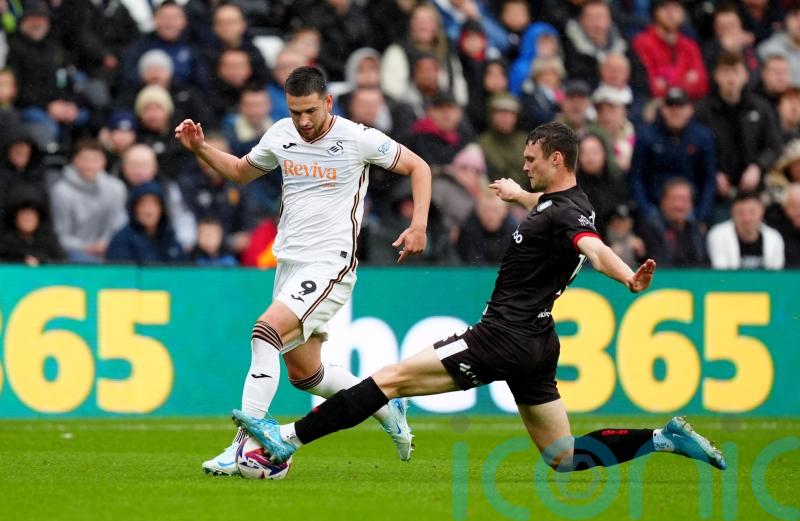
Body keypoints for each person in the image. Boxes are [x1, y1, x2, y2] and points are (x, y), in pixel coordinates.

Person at [231, 122, 727, 475]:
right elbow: (558, 212)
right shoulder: (569, 204)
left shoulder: (564, 217)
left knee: (388, 382)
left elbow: (592, 249)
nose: (524, 167)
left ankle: (286, 439)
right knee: (563, 456)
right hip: (537, 339)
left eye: (531, 160)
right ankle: (663, 439)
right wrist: (519, 195)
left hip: (502, 336)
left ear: (557, 159)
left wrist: (627, 279)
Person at [174, 66, 432, 475]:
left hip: (331, 262)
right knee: (306, 374)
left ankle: (245, 445)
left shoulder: (357, 138)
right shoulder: (281, 133)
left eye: (310, 111)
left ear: (328, 102)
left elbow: (419, 167)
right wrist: (201, 149)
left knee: (265, 332)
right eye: (296, 112)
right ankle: (384, 405)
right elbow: (242, 171)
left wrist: (418, 225)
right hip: (290, 262)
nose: (304, 121)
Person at [106, 181, 186, 265]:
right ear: (134, 209)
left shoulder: (170, 237)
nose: (149, 211)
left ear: (162, 209)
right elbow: (119, 274)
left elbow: (183, 272)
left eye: (154, 204)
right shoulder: (121, 240)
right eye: (143, 204)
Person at [706, 191, 785, 270]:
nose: (747, 218)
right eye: (740, 213)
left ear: (762, 212)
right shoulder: (718, 235)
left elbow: (776, 275)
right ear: (732, 213)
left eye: (752, 212)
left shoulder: (774, 238)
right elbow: (721, 275)